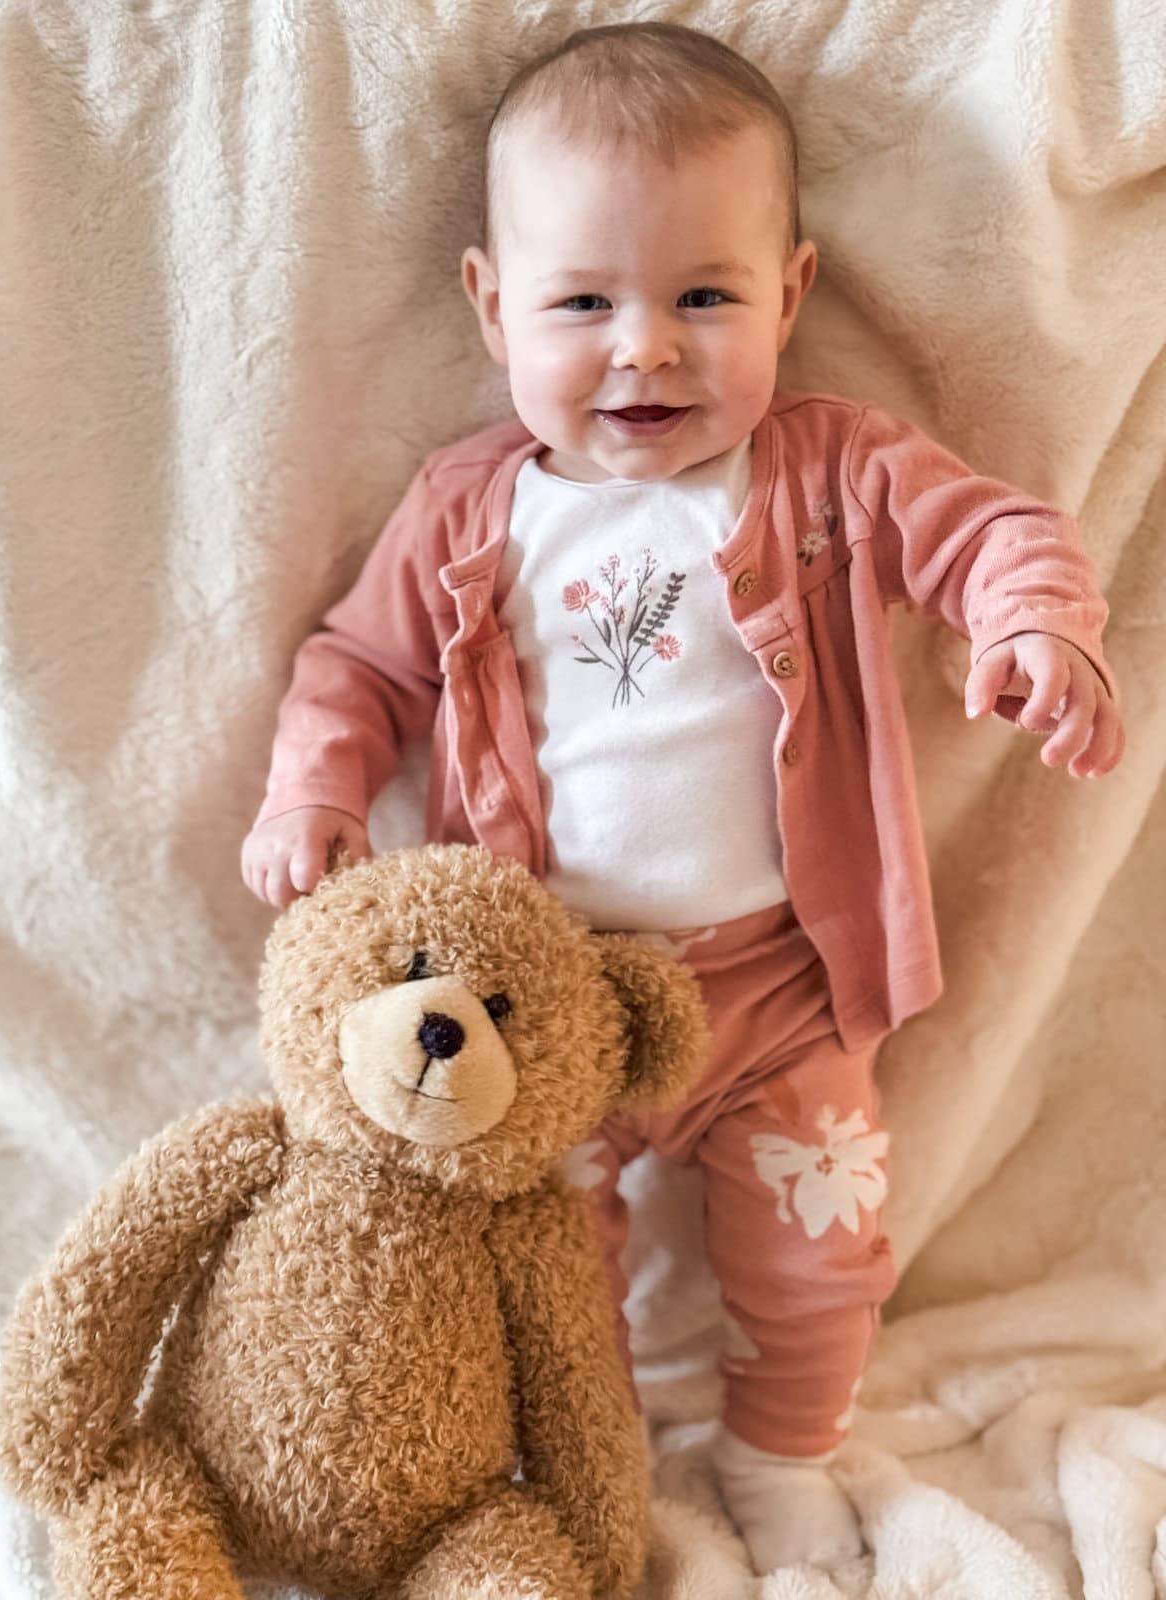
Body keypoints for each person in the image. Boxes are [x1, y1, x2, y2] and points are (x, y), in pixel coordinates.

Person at [239, 21, 1124, 1575]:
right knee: (536, 1268)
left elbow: (994, 534)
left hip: (779, 979)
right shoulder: (471, 507)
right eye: (583, 303)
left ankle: (786, 1453)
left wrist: (1031, 623)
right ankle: (587, 1466)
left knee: (817, 1255)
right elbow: (358, 665)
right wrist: (313, 792)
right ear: (490, 303)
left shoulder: (827, 471)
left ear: (790, 294)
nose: (645, 348)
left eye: (704, 298)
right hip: (539, 995)